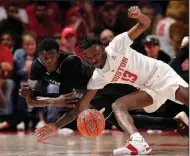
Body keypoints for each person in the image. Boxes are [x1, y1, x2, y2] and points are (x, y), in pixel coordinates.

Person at [32, 6, 188, 155]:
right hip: (147, 89)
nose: (94, 58)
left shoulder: (117, 45)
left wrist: (139, 15)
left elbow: (145, 23)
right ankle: (137, 141)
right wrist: (56, 126)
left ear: (102, 46)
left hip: (160, 74)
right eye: (90, 56)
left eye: (96, 53)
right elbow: (79, 108)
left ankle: (184, 51)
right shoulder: (98, 77)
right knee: (118, 105)